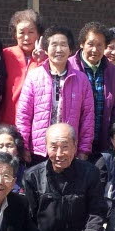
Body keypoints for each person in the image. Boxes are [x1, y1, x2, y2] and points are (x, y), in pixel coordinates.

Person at [16, 26, 95, 162]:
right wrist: (24, 147)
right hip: (39, 151)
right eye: (54, 45)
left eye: (63, 45)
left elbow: (88, 118)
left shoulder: (82, 80)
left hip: (68, 150)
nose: (58, 49)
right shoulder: (34, 76)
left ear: (70, 50)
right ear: (46, 50)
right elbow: (24, 115)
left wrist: (84, 150)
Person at [71, 22, 115, 157]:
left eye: (100, 45)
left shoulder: (111, 69)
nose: (95, 50)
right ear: (82, 44)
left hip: (102, 139)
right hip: (74, 140)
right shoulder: (70, 66)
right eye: (90, 44)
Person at [0, 9, 44, 126]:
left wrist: (41, 61)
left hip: (36, 122)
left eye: (31, 32)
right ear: (15, 34)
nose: (26, 37)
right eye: (21, 32)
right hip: (8, 119)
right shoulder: (5, 55)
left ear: (38, 34)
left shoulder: (47, 59)